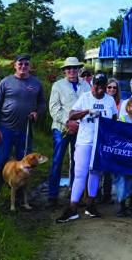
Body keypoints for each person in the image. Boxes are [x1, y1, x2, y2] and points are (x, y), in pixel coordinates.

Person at [56, 73, 118, 223]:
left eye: (102, 86)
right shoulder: (85, 97)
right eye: (96, 85)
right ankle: (72, 208)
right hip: (85, 141)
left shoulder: (109, 100)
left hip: (100, 143)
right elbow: (71, 115)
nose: (99, 88)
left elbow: (114, 121)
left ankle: (90, 204)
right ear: (93, 85)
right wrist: (87, 111)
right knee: (80, 174)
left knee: (95, 172)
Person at [0, 54, 46, 195]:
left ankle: (20, 194)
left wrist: (37, 112)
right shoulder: (5, 82)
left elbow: (42, 102)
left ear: (30, 66)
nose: (23, 66)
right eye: (20, 64)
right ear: (15, 65)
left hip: (25, 130)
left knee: (26, 163)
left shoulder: (36, 83)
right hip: (5, 129)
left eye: (26, 64)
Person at [47, 57, 90, 207]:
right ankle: (52, 196)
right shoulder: (57, 86)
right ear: (64, 70)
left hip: (80, 129)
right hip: (61, 128)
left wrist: (78, 123)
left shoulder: (86, 86)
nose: (72, 71)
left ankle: (74, 194)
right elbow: (54, 108)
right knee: (57, 161)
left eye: (74, 68)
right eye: (68, 68)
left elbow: (88, 107)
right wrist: (68, 121)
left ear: (79, 69)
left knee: (77, 162)